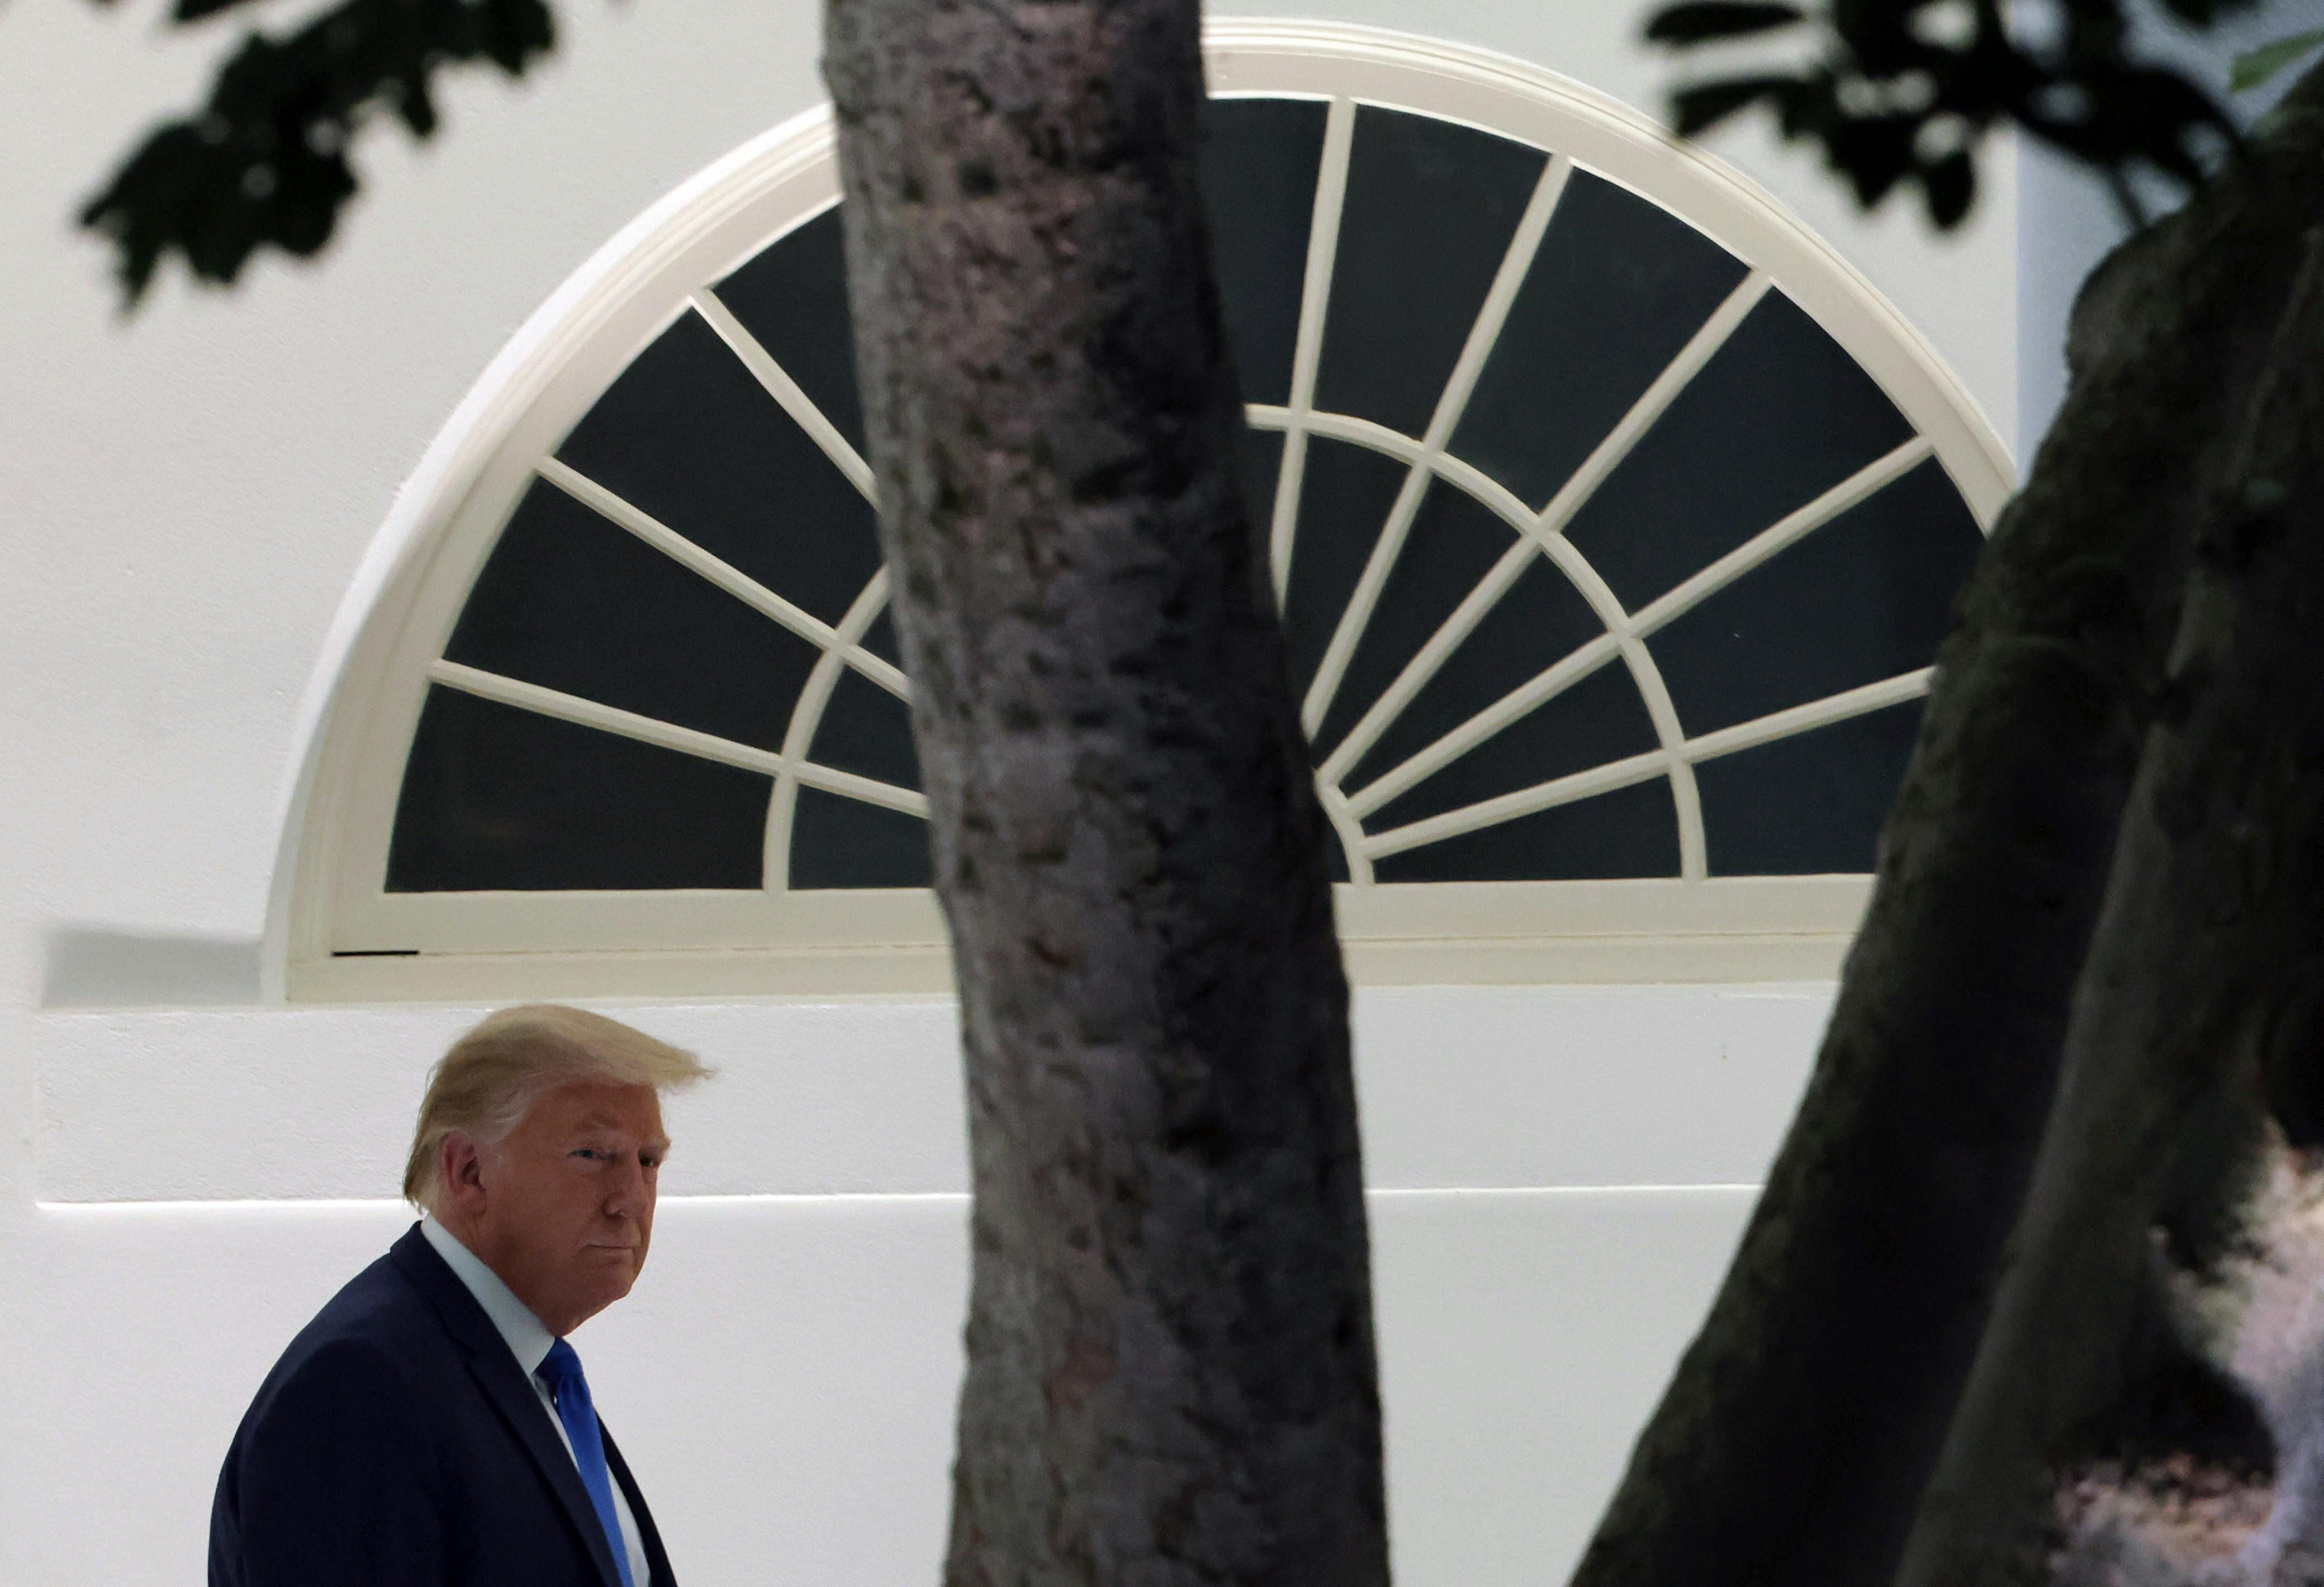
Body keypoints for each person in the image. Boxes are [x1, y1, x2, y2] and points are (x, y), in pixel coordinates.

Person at [209, 1005, 713, 1587]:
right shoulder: (361, 1384)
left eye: (647, 1161)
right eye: (593, 1155)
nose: (631, 1199)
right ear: (469, 1170)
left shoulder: (525, 1374)